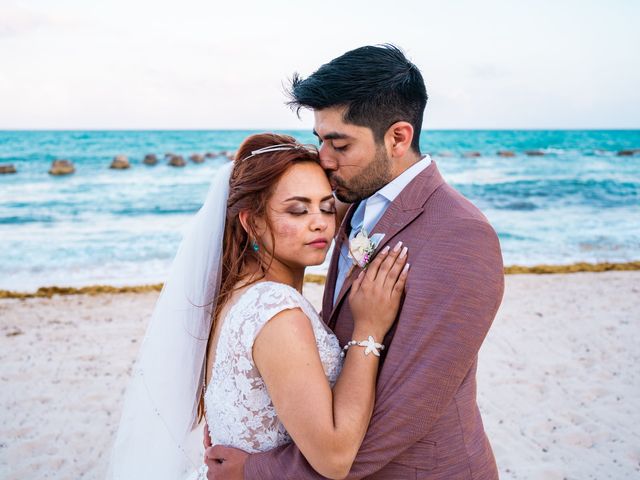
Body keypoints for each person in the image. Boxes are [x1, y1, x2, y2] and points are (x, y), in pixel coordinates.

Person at [205, 44, 504, 479]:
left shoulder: (460, 235)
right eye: (320, 140)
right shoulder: (351, 203)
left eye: (339, 143)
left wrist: (259, 469)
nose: (324, 159)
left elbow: (407, 409)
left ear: (398, 138)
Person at [106, 132, 409, 480]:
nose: (319, 222)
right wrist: (368, 329)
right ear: (251, 222)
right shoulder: (276, 311)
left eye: (326, 207)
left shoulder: (235, 291)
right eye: (297, 210)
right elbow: (335, 457)